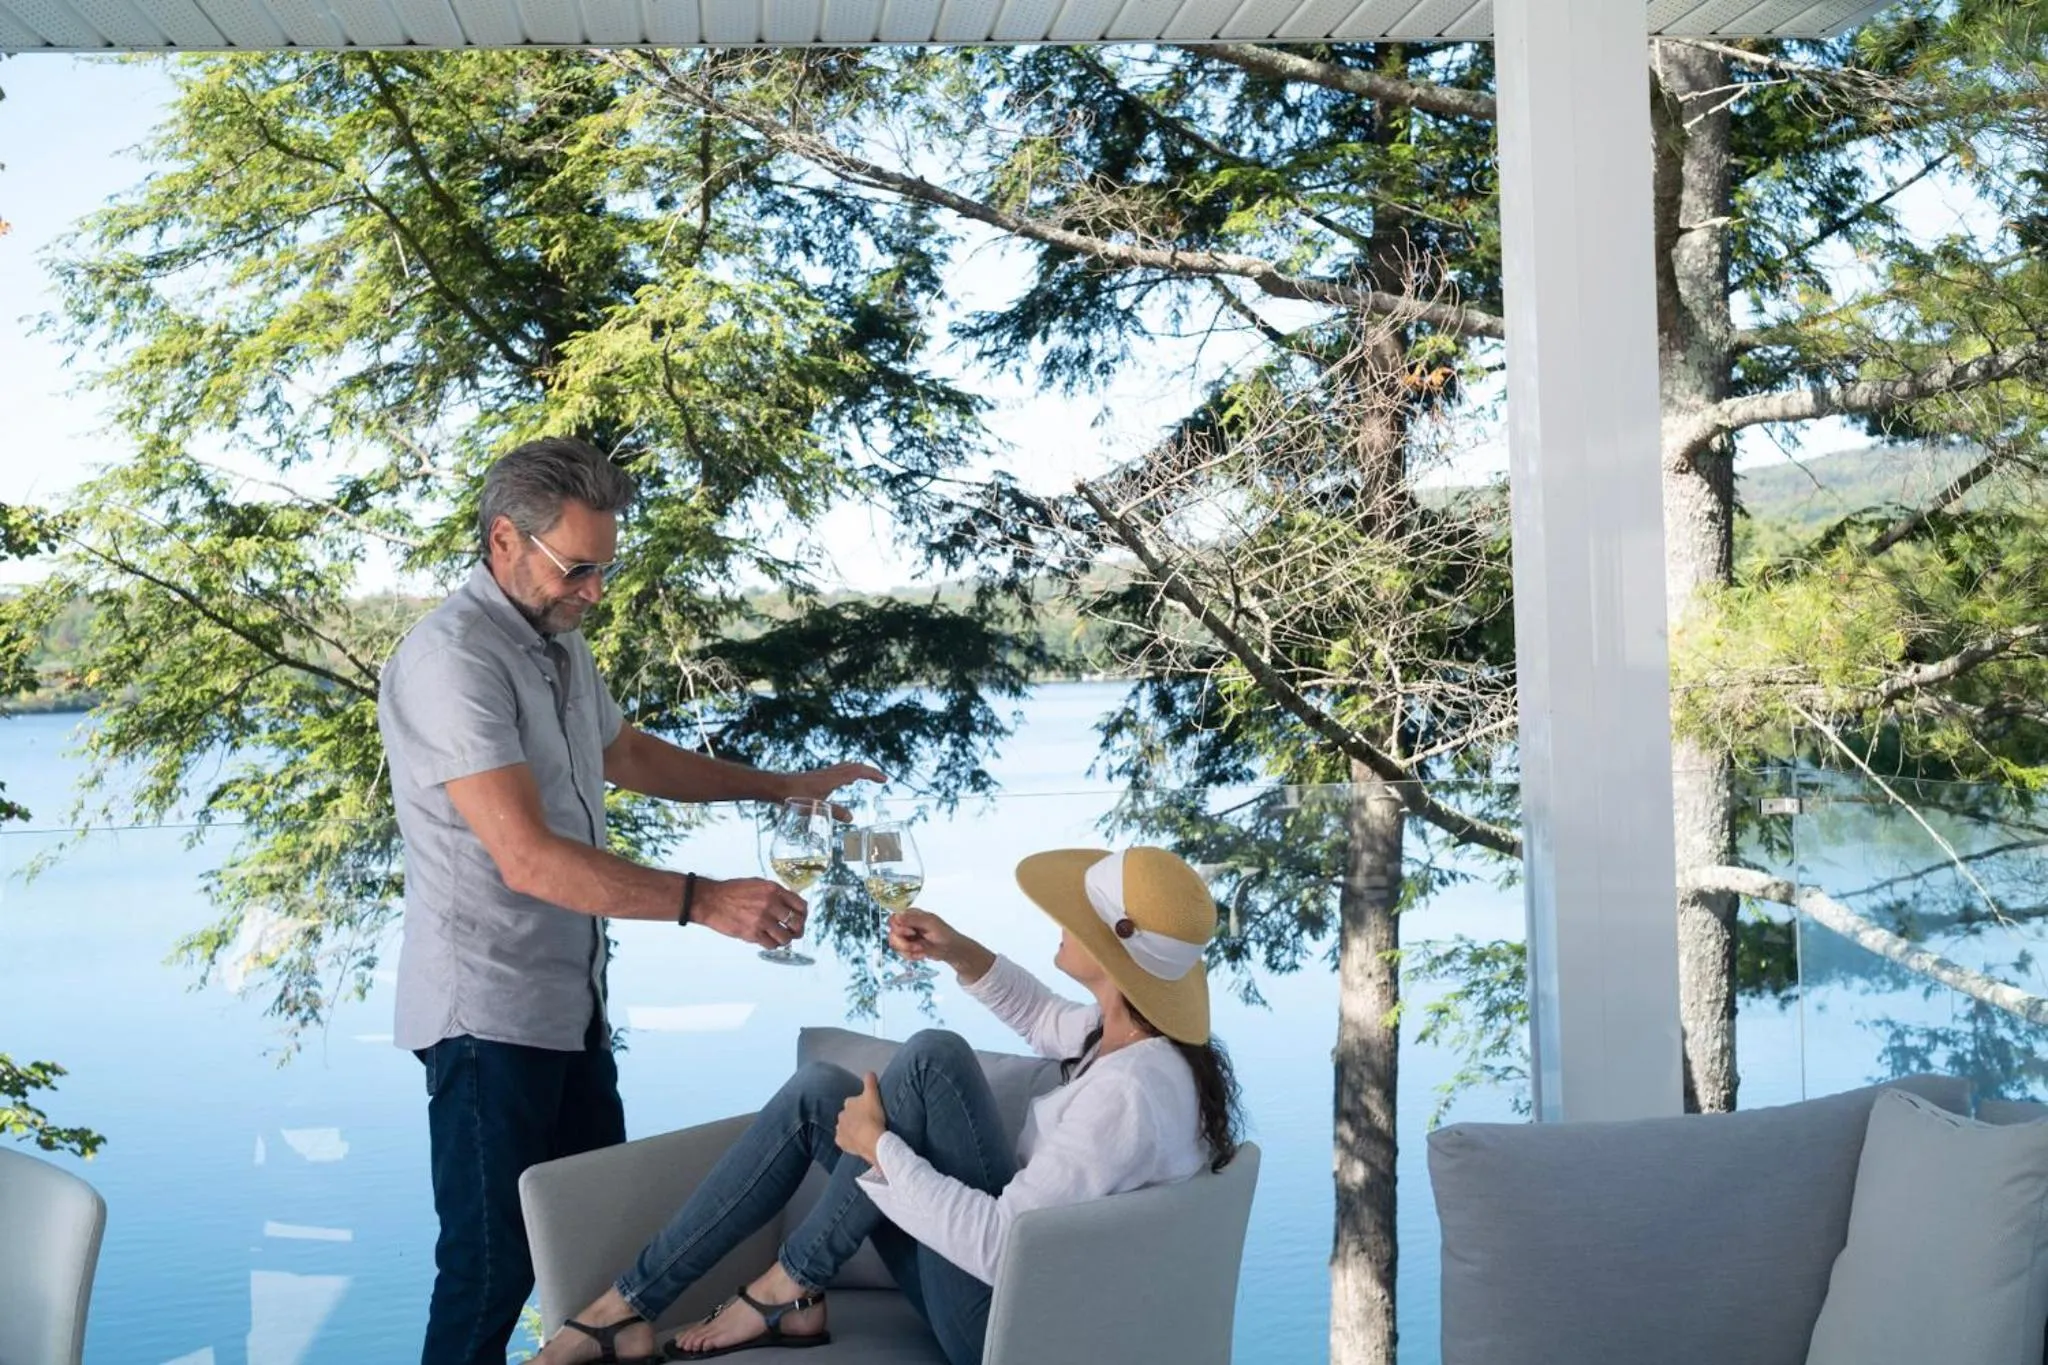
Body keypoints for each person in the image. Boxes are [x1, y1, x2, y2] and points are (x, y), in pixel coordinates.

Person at [377, 435, 883, 1365]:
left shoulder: (557, 646)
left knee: (604, 1278)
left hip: (574, 1016)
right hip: (486, 1019)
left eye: (604, 569)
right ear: (503, 541)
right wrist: (704, 900)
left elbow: (629, 755)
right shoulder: (453, 662)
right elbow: (527, 859)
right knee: (490, 1272)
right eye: (579, 568)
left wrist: (780, 788)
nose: (595, 592)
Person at [531, 844, 1245, 1365]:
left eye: (1072, 916)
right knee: (820, 1094)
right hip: (1017, 1293)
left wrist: (882, 1149)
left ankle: (781, 1285)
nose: (1056, 920)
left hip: (1008, 1328)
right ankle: (636, 1303)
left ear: (1111, 949)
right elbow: (1039, 1015)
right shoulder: (1128, 1036)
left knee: (930, 1058)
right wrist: (960, 951)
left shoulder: (1128, 1094)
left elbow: (1002, 1247)